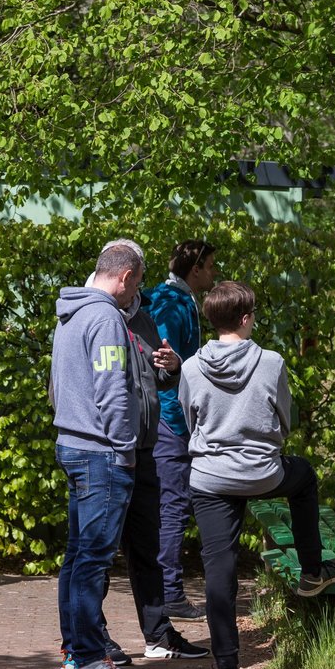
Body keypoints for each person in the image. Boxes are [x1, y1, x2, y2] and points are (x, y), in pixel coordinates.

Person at [179, 281, 335, 669]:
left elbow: (189, 419)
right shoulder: (271, 362)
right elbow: (284, 417)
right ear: (246, 318)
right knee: (304, 477)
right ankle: (313, 572)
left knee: (219, 570)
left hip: (211, 478)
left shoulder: (189, 368)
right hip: (262, 472)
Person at [50, 241, 146, 669]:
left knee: (77, 556)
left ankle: (74, 653)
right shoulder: (106, 316)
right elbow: (112, 389)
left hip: (71, 444)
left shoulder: (69, 313)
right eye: (137, 285)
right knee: (92, 559)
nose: (135, 296)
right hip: (101, 452)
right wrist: (124, 444)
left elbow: (57, 385)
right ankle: (88, 657)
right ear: (125, 277)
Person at [142, 240, 217, 621]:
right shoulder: (171, 302)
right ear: (197, 267)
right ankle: (170, 593)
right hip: (171, 420)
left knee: (168, 506)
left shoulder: (162, 295)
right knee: (173, 507)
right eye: (211, 266)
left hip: (165, 418)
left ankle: (165, 590)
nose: (215, 273)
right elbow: (167, 363)